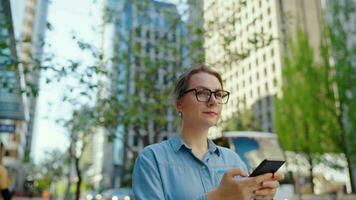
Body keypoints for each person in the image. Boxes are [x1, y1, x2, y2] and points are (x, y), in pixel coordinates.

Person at [132, 65, 284, 200]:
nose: (213, 101)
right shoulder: (152, 159)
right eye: (202, 92)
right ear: (179, 103)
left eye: (218, 94)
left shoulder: (233, 160)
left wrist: (262, 198)